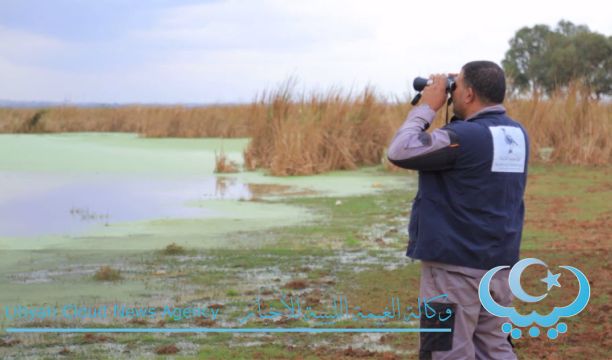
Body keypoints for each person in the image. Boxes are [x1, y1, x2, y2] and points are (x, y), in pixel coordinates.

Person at [387, 61, 528, 360]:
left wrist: (429, 106)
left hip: (453, 272)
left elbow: (400, 149)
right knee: (495, 348)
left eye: (458, 85)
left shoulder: (464, 137)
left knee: (445, 352)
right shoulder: (516, 135)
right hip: (498, 268)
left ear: (468, 95)